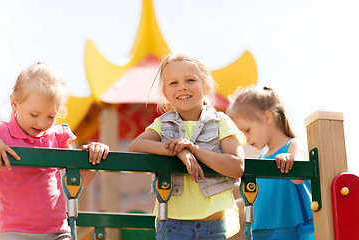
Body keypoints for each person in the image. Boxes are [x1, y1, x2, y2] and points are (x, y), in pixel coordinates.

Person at [128, 53, 246, 240]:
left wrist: (194, 150)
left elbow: (237, 167)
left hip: (213, 225)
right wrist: (178, 151)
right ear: (166, 94)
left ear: (206, 86)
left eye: (190, 80)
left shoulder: (221, 121)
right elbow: (136, 146)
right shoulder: (162, 124)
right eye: (173, 83)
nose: (182, 86)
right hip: (173, 224)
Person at [0, 62, 109, 240]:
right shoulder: (2, 133)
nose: (42, 123)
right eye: (34, 115)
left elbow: (78, 181)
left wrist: (93, 156)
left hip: (56, 231)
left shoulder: (58, 135)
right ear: (14, 104)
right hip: (14, 231)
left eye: (51, 116)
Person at [226, 86, 314, 240]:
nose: (245, 139)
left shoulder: (292, 145)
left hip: (288, 228)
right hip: (260, 230)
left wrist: (290, 159)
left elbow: (298, 177)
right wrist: (226, 206)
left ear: (267, 117)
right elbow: (255, 198)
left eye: (247, 130)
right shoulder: (261, 159)